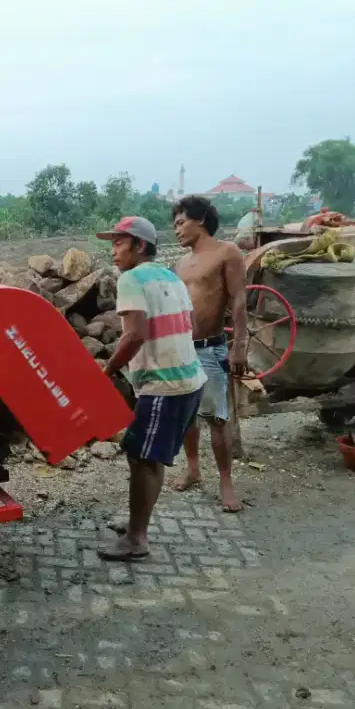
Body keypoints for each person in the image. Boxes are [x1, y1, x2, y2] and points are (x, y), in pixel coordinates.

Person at [95, 217, 207, 561]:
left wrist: (108, 369)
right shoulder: (170, 276)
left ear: (139, 246)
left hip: (165, 385)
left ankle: (137, 540)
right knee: (147, 456)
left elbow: (135, 334)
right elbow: (186, 325)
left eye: (119, 243)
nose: (113, 251)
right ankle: (135, 525)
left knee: (143, 459)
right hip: (190, 379)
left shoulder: (131, 278)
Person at [172, 195, 248, 512]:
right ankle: (193, 469)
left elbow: (239, 299)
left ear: (200, 220)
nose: (176, 230)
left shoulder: (226, 252)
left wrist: (240, 344)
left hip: (210, 348)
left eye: (180, 223)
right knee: (188, 417)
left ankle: (226, 483)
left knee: (217, 418)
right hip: (182, 350)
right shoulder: (181, 263)